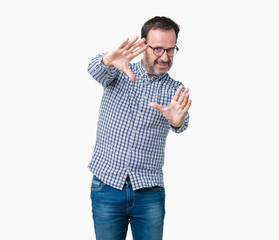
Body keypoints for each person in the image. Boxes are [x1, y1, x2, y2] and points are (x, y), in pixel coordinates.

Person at [87, 16, 192, 240]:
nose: (165, 57)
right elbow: (94, 70)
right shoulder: (119, 71)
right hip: (106, 186)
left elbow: (182, 123)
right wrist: (106, 59)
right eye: (158, 49)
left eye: (171, 50)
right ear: (144, 45)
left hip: (149, 193)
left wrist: (176, 121)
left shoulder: (175, 89)